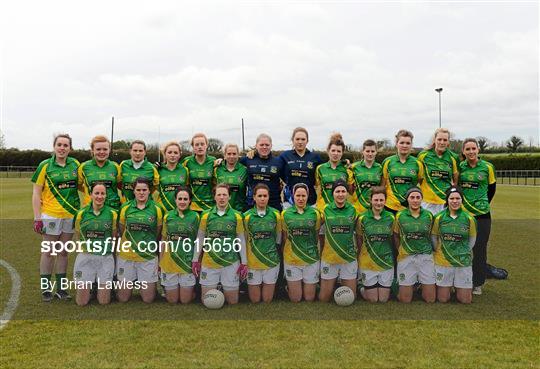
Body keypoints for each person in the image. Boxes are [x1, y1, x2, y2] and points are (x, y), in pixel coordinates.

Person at [32, 133, 81, 301]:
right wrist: (37, 218)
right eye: (59, 144)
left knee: (64, 253)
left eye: (65, 145)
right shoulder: (45, 165)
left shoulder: (75, 165)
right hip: (51, 215)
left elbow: (83, 186)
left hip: (70, 215)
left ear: (70, 148)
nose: (62, 148)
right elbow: (36, 192)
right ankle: (46, 289)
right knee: (48, 252)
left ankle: (61, 289)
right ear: (54, 146)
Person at [192, 184, 248, 305]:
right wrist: (195, 260)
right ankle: (218, 288)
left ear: (229, 197)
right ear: (214, 197)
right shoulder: (206, 215)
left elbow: (241, 239)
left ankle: (223, 288)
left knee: (232, 302)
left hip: (230, 262)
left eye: (224, 195)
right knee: (206, 300)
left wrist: (244, 262)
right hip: (210, 261)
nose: (222, 198)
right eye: (219, 195)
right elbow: (200, 238)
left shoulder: (237, 216)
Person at [459, 138, 497, 295]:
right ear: (463, 152)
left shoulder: (488, 167)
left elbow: (491, 189)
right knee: (462, 247)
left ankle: (477, 283)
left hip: (482, 215)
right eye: (467, 149)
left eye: (473, 148)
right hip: (464, 215)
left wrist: (481, 204)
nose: (471, 152)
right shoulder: (460, 167)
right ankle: (461, 280)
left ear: (478, 150)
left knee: (479, 249)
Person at [116, 177, 163, 303]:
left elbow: (157, 233)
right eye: (138, 190)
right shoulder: (125, 208)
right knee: (123, 298)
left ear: (149, 191)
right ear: (134, 191)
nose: (141, 192)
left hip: (147, 257)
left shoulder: (157, 209)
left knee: (148, 299)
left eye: (144, 190)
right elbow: (121, 229)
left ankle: (144, 283)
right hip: (127, 256)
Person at [73, 182, 118, 306]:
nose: (99, 196)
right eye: (96, 193)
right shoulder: (81, 214)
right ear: (91, 195)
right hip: (86, 257)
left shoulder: (112, 214)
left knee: (103, 302)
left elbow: (113, 237)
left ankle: (100, 286)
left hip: (105, 258)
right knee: (81, 302)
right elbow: (78, 235)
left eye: (102, 193)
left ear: (106, 196)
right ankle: (89, 286)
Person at [432, 186, 476, 304]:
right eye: (452, 198)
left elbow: (472, 238)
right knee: (443, 299)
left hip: (462, 261)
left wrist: (465, 251)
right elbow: (433, 236)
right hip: (443, 261)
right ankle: (448, 286)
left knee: (465, 300)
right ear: (447, 200)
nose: (455, 201)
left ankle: (458, 286)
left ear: (462, 200)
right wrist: (438, 250)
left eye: (458, 198)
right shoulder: (439, 217)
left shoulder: (469, 218)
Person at [318, 180, 360, 302]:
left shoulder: (354, 210)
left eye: (343, 191)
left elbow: (359, 233)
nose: (340, 194)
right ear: (333, 193)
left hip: (348, 258)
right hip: (330, 259)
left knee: (351, 297)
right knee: (324, 299)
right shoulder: (325, 210)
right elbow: (317, 231)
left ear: (347, 193)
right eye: (337, 191)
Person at [393, 187, 436, 303]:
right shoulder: (400, 215)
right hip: (407, 257)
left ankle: (419, 285)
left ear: (422, 199)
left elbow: (433, 235)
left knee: (430, 299)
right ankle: (397, 285)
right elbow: (396, 235)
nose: (415, 200)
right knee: (405, 300)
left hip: (425, 256)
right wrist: (401, 250)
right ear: (407, 199)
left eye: (418, 197)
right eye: (412, 197)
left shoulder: (429, 216)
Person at [282, 183, 322, 302]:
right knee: (296, 299)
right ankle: (287, 286)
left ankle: (313, 285)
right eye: (298, 195)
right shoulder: (285, 214)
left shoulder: (315, 214)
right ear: (293, 196)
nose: (300, 198)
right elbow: (285, 237)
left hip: (310, 258)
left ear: (308, 196)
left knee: (309, 298)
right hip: (292, 259)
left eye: (303, 196)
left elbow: (316, 236)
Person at [160, 186, 199, 304]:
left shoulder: (196, 217)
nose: (182, 202)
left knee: (185, 301)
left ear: (190, 201)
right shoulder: (168, 216)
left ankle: (196, 290)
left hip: (186, 262)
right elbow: (163, 239)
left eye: (185, 199)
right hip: (170, 262)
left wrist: (197, 260)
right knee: (172, 300)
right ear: (175, 200)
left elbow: (199, 241)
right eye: (180, 199)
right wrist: (160, 261)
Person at [243, 184, 282, 303]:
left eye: (265, 196)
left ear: (269, 197)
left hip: (271, 261)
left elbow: (279, 238)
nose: (262, 198)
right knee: (255, 300)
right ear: (254, 197)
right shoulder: (246, 216)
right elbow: (244, 239)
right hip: (253, 262)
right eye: (259, 196)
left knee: (267, 300)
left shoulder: (276, 214)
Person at [357, 186, 395, 303]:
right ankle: (360, 287)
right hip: (368, 262)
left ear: (385, 201)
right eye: (376, 200)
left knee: (383, 299)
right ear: (371, 200)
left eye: (381, 200)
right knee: (373, 299)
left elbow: (393, 239)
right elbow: (359, 239)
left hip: (385, 261)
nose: (378, 203)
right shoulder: (362, 218)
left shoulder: (391, 218)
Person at [417, 128, 459, 215]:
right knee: (427, 228)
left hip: (445, 200)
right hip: (427, 200)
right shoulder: (423, 155)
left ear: (448, 142)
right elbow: (419, 178)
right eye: (439, 139)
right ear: (434, 140)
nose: (442, 142)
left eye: (445, 140)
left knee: (444, 228)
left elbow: (455, 179)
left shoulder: (453, 157)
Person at [382, 129, 424, 214]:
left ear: (411, 145)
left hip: (409, 206)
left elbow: (420, 183)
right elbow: (383, 185)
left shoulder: (417, 163)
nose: (404, 146)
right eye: (402, 143)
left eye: (408, 143)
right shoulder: (387, 162)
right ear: (396, 144)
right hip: (390, 205)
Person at [279, 127, 323, 208]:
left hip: (310, 200)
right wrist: (255, 153)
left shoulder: (315, 157)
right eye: (297, 139)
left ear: (307, 141)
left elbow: (327, 167)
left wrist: (344, 163)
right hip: (289, 200)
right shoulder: (284, 156)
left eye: (303, 139)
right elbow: (271, 163)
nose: (300, 142)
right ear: (293, 140)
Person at [240, 133, 284, 211]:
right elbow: (231, 161)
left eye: (267, 145)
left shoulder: (279, 162)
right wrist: (220, 161)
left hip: (273, 204)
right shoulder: (248, 159)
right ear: (256, 146)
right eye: (261, 145)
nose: (264, 147)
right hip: (252, 204)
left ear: (271, 146)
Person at [78, 135, 121, 209]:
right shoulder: (84, 167)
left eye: (105, 149)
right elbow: (78, 185)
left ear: (109, 150)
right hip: (91, 211)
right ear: (92, 150)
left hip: (113, 210)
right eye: (98, 149)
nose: (102, 152)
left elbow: (120, 186)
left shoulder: (115, 166)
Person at [315, 133, 354, 211]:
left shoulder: (347, 169)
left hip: (341, 211)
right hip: (324, 210)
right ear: (328, 150)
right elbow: (317, 189)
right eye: (333, 150)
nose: (335, 153)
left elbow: (351, 192)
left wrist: (351, 172)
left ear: (342, 153)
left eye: (339, 151)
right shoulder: (320, 168)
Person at [182, 133, 216, 212]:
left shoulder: (213, 161)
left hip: (210, 205)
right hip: (193, 205)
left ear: (206, 145)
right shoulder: (187, 161)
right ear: (193, 147)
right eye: (197, 145)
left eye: (202, 144)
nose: (200, 147)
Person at [350, 139, 384, 214]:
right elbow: (350, 188)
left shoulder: (380, 168)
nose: (370, 154)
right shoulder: (354, 167)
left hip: (374, 209)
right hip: (358, 208)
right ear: (363, 151)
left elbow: (382, 187)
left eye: (372, 151)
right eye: (367, 151)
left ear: (376, 152)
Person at [214, 143, 248, 212]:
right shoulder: (217, 169)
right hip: (221, 211)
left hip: (239, 211)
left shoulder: (245, 170)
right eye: (229, 154)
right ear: (224, 155)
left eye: (234, 154)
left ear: (238, 155)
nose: (231, 156)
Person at [156, 141, 189, 212]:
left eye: (176, 153)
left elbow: (187, 188)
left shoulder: (185, 170)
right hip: (162, 209)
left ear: (180, 155)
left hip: (180, 210)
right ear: (165, 154)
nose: (172, 155)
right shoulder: (158, 169)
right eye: (169, 152)